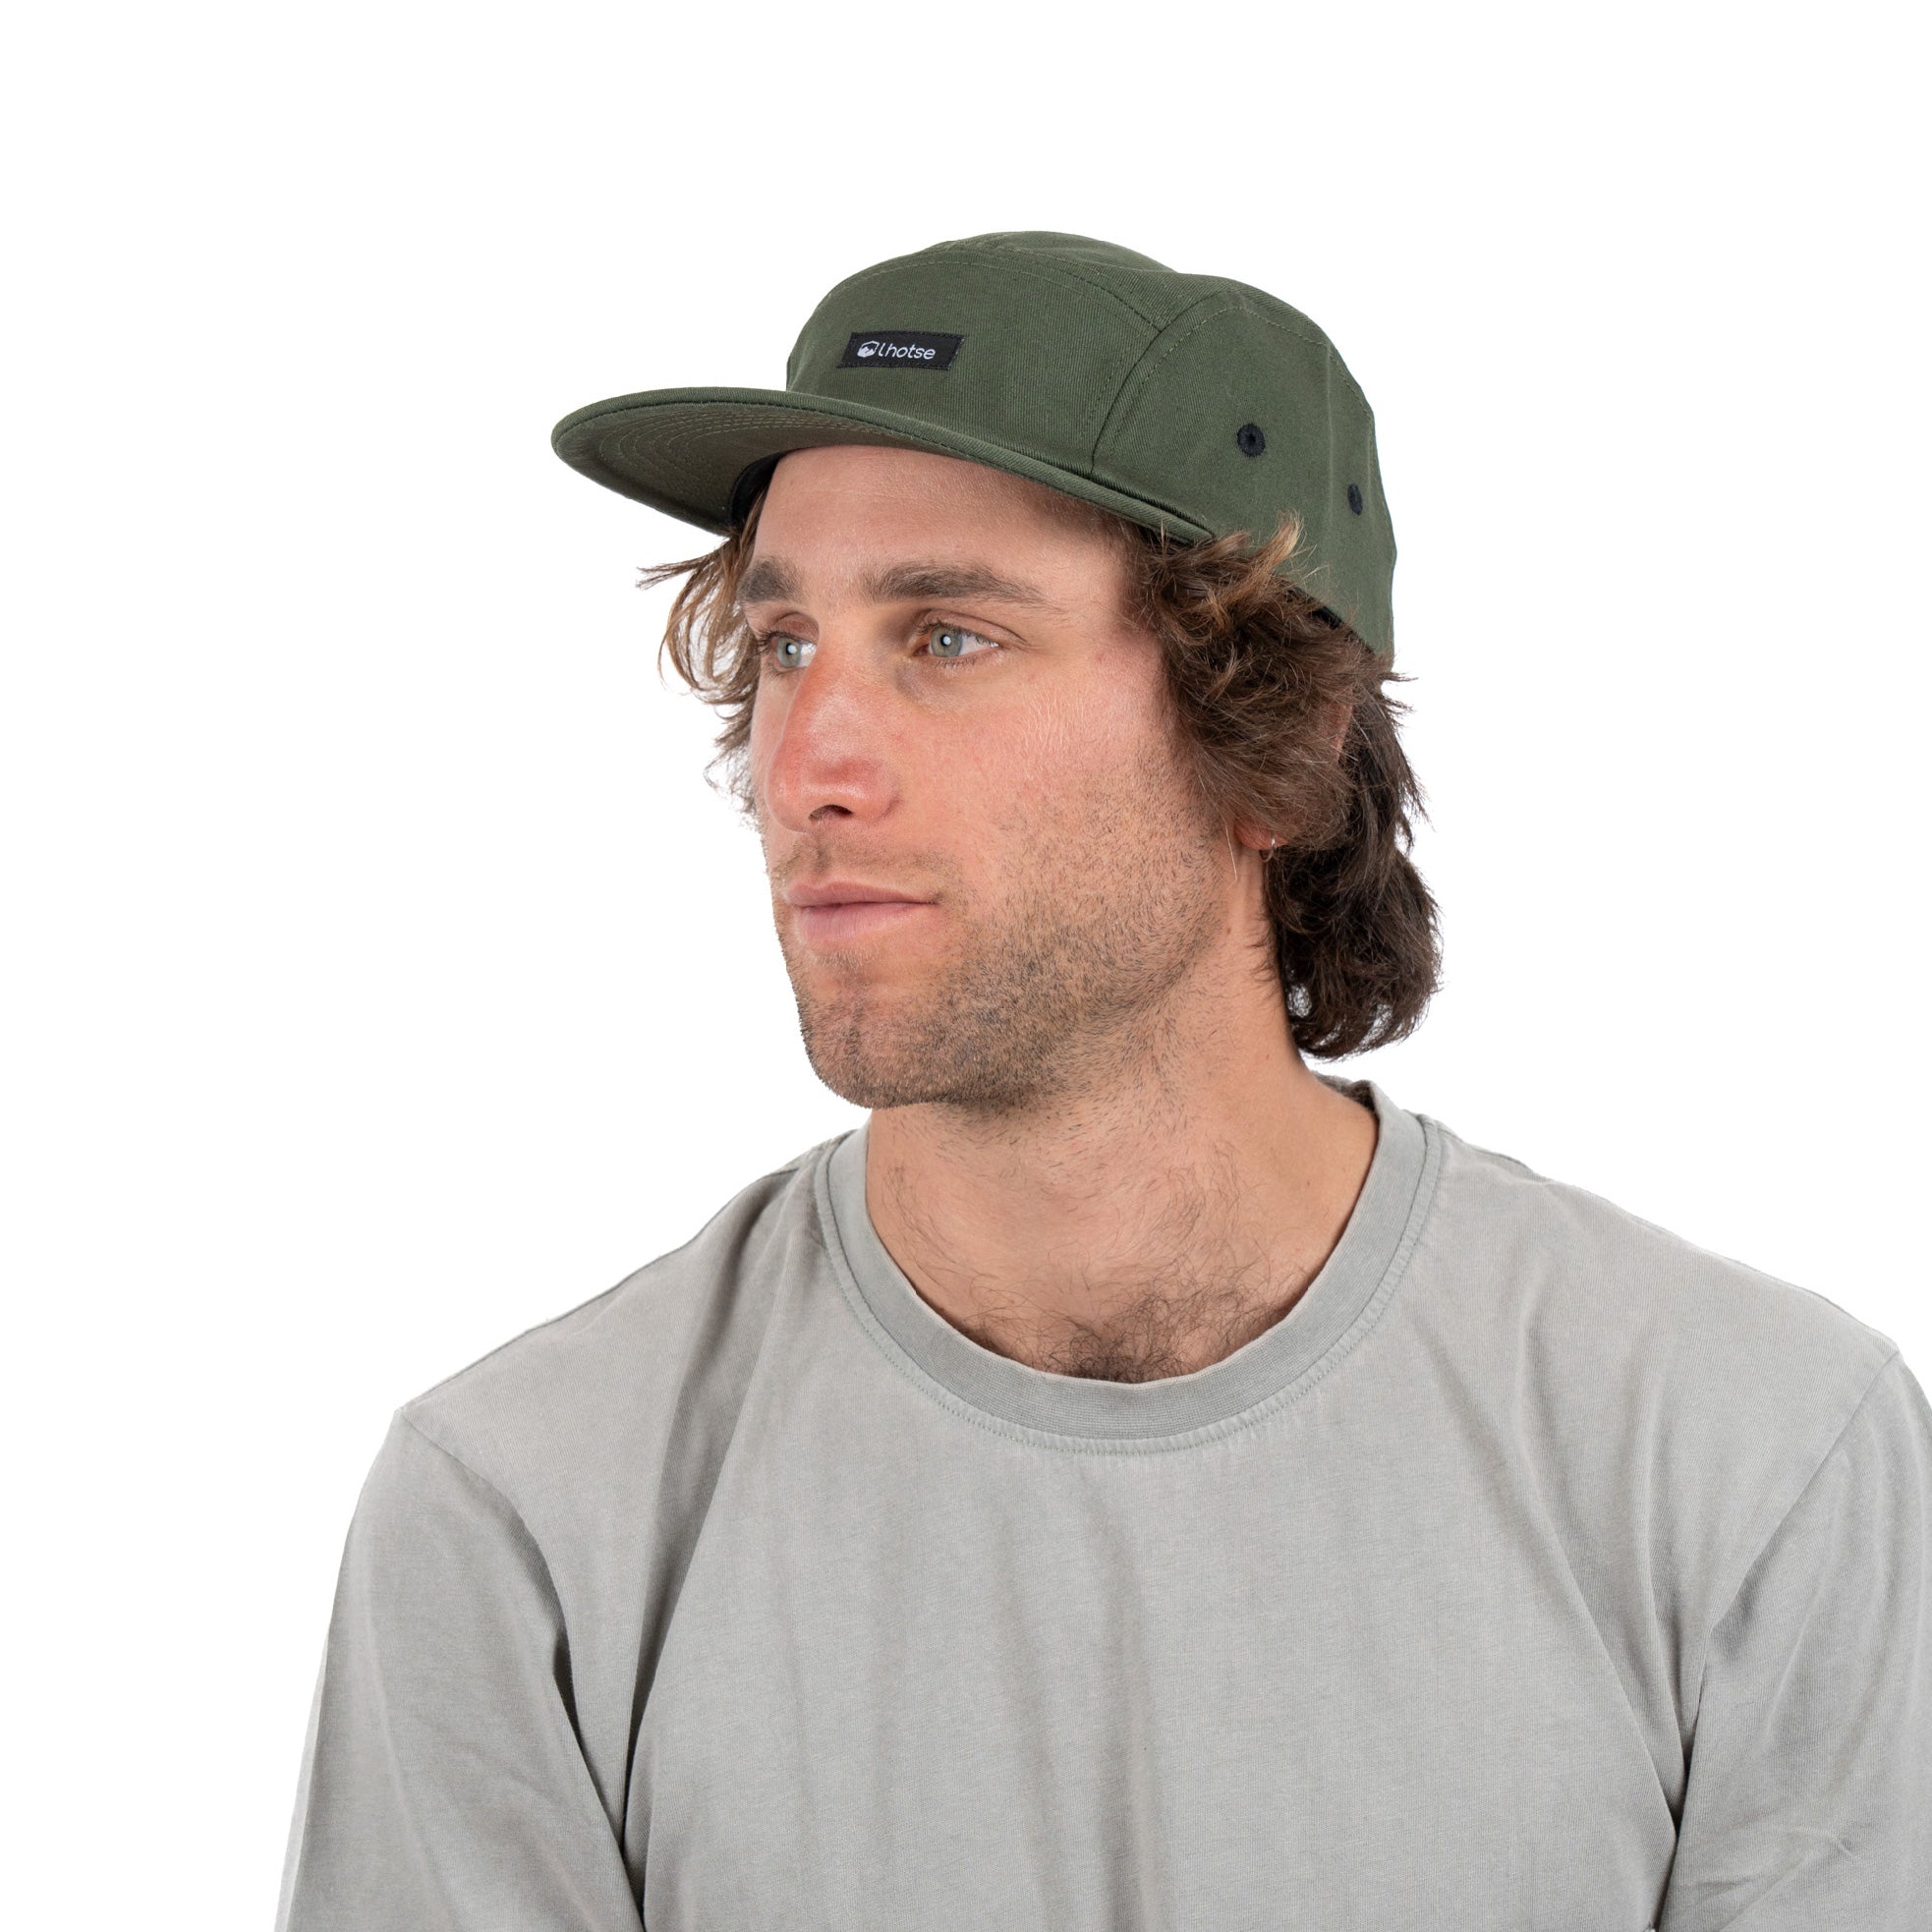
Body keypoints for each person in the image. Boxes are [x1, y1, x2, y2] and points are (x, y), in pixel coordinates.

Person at [273, 232, 1931, 1930]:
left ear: (1274, 742)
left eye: (946, 637)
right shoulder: (526, 1520)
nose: (806, 762)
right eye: (782, 644)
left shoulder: (1746, 1461)